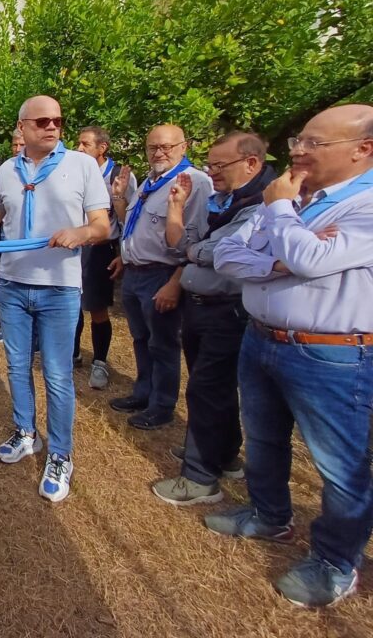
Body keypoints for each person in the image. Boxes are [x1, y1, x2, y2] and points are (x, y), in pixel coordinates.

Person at [207, 105, 373, 608]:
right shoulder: (295, 198)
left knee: (341, 468)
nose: (298, 150)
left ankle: (335, 561)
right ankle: (268, 514)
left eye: (313, 143)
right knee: (263, 438)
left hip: (331, 357)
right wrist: (285, 258)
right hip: (261, 339)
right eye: (299, 140)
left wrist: (280, 218)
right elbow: (227, 255)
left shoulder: (361, 204)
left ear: (362, 149)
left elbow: (313, 258)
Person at [0, 95, 110, 502]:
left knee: (57, 374)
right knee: (16, 366)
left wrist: (80, 233)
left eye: (58, 121)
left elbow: (102, 225)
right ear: (23, 127)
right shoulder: (10, 169)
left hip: (59, 288)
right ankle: (26, 432)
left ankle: (61, 454)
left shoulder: (82, 166)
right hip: (12, 284)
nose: (52, 127)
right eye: (43, 121)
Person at [150, 131, 273, 507]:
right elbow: (181, 242)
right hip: (201, 305)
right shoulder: (223, 201)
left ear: (251, 163)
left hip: (228, 310)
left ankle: (200, 477)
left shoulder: (262, 204)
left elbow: (220, 252)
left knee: (205, 390)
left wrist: (196, 248)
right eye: (211, 164)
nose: (212, 172)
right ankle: (225, 454)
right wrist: (178, 210)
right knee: (214, 389)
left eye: (220, 166)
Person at [109, 124, 212, 430]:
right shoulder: (151, 182)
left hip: (162, 274)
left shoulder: (193, 182)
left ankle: (162, 405)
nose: (159, 152)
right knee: (141, 339)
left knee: (163, 344)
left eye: (166, 147)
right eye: (153, 147)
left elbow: (193, 243)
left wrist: (175, 282)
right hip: (135, 273)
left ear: (184, 146)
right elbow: (136, 224)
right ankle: (143, 392)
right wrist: (118, 202)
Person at [73, 126, 137, 387]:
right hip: (74, 245)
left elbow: (128, 220)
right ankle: (73, 353)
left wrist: (122, 253)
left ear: (102, 148)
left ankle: (100, 362)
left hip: (100, 249)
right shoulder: (76, 171)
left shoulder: (118, 177)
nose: (79, 149)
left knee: (97, 308)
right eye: (78, 143)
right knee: (72, 302)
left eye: (85, 144)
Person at [0, 128, 26, 344]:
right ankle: (6, 327)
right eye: (14, 144)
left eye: (22, 144)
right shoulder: (6, 170)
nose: (17, 149)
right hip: (8, 242)